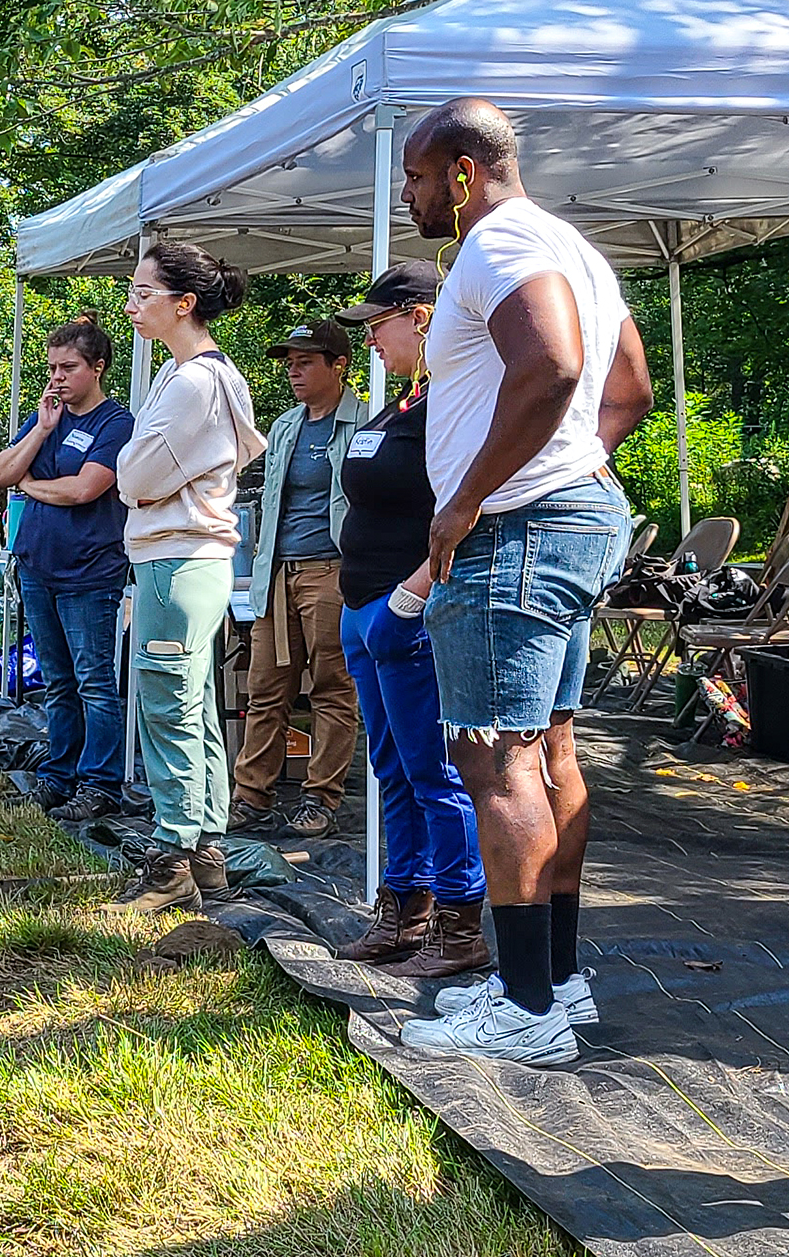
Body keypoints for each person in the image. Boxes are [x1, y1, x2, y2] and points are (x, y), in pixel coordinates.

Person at [393, 97, 654, 1064]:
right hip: (569, 517)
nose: (412, 198)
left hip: (516, 534)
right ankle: (553, 982)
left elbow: (552, 366)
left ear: (463, 172)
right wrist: (575, 468)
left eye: (417, 179)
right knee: (548, 754)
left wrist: (468, 500)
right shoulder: (574, 245)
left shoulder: (499, 243)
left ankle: (530, 1011)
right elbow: (627, 388)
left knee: (496, 761)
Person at [330, 261, 490, 978]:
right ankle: (405, 908)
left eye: (376, 325)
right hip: (363, 609)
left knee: (434, 770)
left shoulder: (453, 404)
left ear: (420, 317)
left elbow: (467, 505)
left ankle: (460, 925)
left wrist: (409, 599)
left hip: (407, 610)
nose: (369, 342)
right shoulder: (401, 404)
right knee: (392, 767)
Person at [108, 241, 266, 916]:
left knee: (169, 704)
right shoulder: (205, 374)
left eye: (144, 292)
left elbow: (134, 476)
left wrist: (136, 485)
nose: (131, 304)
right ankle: (205, 850)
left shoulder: (195, 380)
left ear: (185, 303)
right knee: (192, 702)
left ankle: (172, 856)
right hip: (192, 559)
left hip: (177, 560)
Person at [0, 316, 134, 819]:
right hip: (37, 567)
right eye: (51, 367)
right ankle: (59, 773)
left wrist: (29, 486)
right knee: (57, 679)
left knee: (94, 680)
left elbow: (84, 489)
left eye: (68, 367)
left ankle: (101, 785)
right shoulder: (47, 417)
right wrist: (42, 430)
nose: (57, 377)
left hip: (89, 573)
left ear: (97, 367)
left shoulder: (116, 424)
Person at [230, 320, 366, 839]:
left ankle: (320, 798)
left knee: (333, 690)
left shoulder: (364, 424)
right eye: (289, 361)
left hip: (331, 570)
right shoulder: (286, 424)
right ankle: (252, 795)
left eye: (305, 361)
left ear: (339, 365)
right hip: (276, 572)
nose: (293, 370)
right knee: (266, 687)